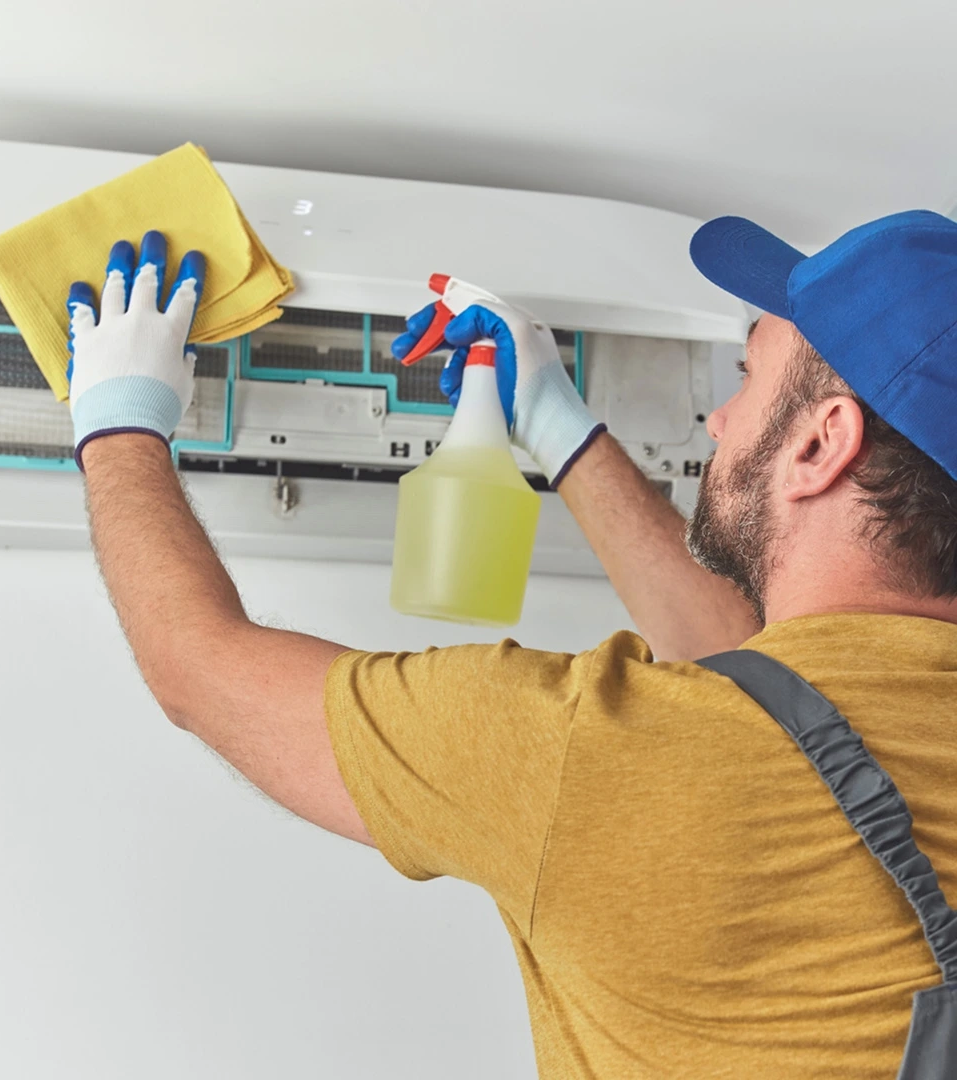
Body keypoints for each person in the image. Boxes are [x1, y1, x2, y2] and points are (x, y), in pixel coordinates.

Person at [65, 211, 957, 1078]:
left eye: (747, 376)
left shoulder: (596, 756)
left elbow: (199, 670)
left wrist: (118, 420)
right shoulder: (779, 733)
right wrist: (558, 427)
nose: (720, 421)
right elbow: (776, 696)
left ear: (819, 443)